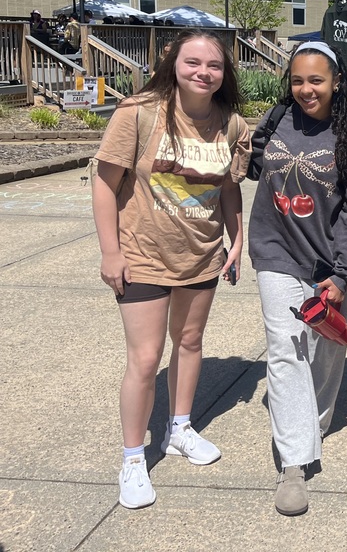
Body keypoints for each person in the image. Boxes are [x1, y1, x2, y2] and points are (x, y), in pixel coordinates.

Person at [91, 28, 250, 510]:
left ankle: (178, 427)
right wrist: (110, 252)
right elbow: (104, 184)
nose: (204, 73)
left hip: (201, 252)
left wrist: (236, 238)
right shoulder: (139, 113)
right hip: (141, 252)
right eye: (193, 63)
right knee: (144, 358)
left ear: (225, 73)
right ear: (173, 65)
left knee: (190, 341)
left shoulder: (232, 125)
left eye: (214, 66)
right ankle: (133, 458)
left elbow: (227, 188)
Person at [247, 41, 347, 516]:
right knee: (285, 349)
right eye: (297, 80)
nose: (306, 89)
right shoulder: (277, 118)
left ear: (336, 81)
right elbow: (256, 165)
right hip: (274, 250)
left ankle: (311, 424)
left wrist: (343, 273)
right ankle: (293, 464)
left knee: (326, 348)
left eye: (316, 80)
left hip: (328, 260)